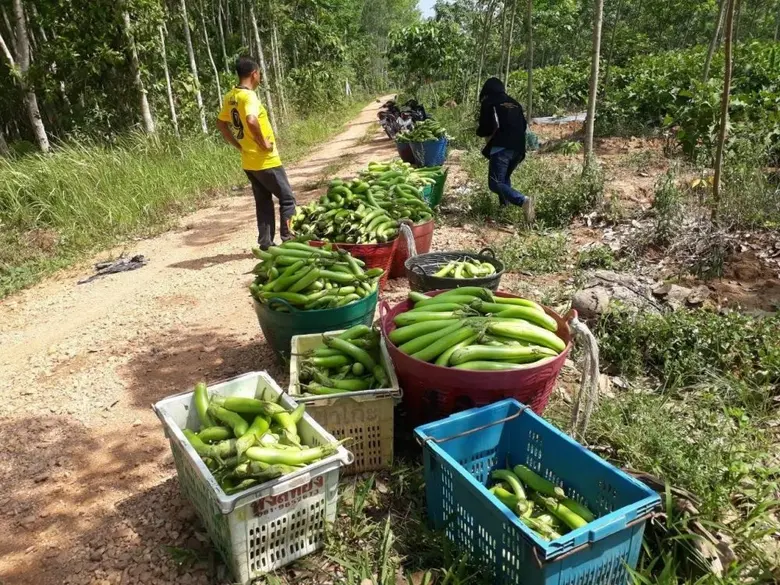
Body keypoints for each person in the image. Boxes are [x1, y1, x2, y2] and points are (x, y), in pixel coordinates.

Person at [216, 56, 296, 249]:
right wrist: (264, 143)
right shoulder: (249, 96)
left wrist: (238, 144)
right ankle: (289, 240)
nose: (260, 77)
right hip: (265, 160)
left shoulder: (231, 96)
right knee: (287, 199)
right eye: (259, 74)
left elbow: (221, 123)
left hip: (249, 162)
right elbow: (251, 120)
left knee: (264, 202)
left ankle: (266, 244)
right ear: (254, 74)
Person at [476, 77, 535, 223]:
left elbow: (485, 127)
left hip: (501, 147)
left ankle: (523, 201)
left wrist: (480, 132)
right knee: (504, 180)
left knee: (495, 183)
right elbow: (523, 126)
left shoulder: (489, 102)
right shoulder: (515, 103)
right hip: (519, 149)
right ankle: (504, 210)